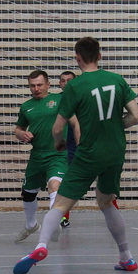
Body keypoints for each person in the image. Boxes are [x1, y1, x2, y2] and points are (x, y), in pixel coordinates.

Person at [14, 37, 138, 274]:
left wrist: (59, 142)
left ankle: (41, 246)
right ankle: (126, 256)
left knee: (61, 203)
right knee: (106, 201)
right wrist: (115, 127)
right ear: (100, 56)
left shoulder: (75, 86)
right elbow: (136, 116)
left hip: (90, 152)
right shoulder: (117, 80)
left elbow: (57, 127)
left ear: (78, 58)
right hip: (115, 151)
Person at [13, 70, 79, 243]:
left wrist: (80, 146)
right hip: (37, 155)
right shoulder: (26, 106)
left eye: (39, 85)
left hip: (58, 154)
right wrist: (21, 134)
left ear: (48, 85)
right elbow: (18, 129)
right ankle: (31, 225)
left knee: (54, 185)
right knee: (28, 193)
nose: (36, 88)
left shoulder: (60, 100)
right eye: (32, 85)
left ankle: (53, 223)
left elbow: (75, 123)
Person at [58, 70, 77, 228]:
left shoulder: (82, 98)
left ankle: (113, 210)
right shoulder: (57, 100)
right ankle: (63, 216)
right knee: (64, 182)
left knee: (103, 182)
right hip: (65, 147)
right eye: (63, 81)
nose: (66, 84)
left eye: (69, 80)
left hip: (83, 145)